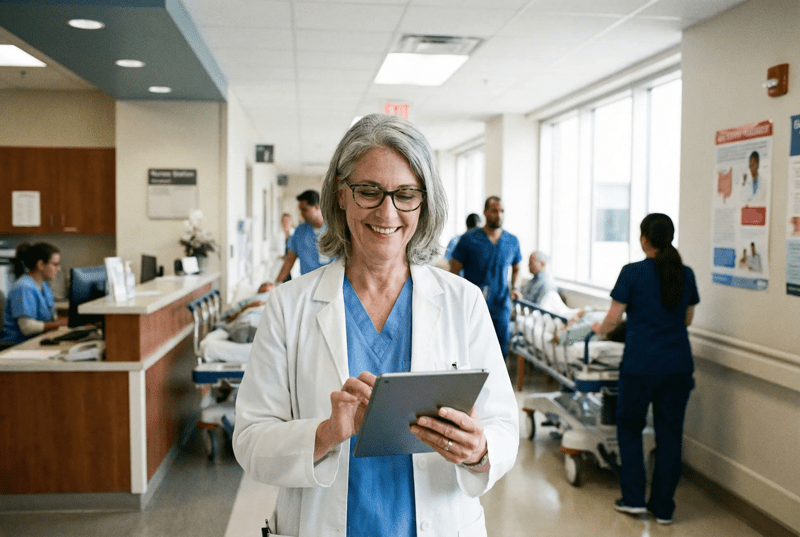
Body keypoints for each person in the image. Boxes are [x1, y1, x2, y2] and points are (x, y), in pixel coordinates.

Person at [233, 114, 519, 537]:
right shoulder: (288, 306)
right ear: (341, 195)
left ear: (424, 203)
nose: (387, 211)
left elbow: (503, 426)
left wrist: (479, 450)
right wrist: (326, 433)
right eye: (369, 191)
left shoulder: (463, 301)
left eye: (406, 194)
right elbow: (251, 440)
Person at [591, 213, 699, 525]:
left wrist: (599, 328)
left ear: (644, 239)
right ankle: (664, 508)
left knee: (630, 429)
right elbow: (687, 319)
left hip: (641, 367)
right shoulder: (686, 273)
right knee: (669, 436)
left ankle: (634, 499)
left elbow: (612, 321)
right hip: (678, 367)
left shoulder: (632, 273)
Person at [450, 196, 522, 357]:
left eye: (502, 211)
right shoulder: (469, 239)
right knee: (473, 349)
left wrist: (515, 287)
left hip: (501, 303)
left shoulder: (512, 241)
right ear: (485, 213)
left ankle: (497, 382)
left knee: (500, 348)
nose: (499, 215)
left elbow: (517, 268)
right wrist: (458, 295)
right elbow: (454, 270)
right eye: (495, 211)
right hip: (474, 304)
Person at [260, 190, 332, 292]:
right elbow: (289, 260)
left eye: (305, 210)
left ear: (317, 207)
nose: (301, 214)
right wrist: (276, 284)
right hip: (307, 287)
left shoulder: (336, 230)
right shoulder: (300, 231)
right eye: (300, 210)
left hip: (332, 286)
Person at [1, 242, 68, 344]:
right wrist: (63, 323)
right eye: (55, 264)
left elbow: (52, 319)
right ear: (40, 264)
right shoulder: (23, 287)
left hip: (36, 340)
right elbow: (28, 328)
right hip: (17, 345)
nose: (58, 269)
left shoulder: (44, 286)